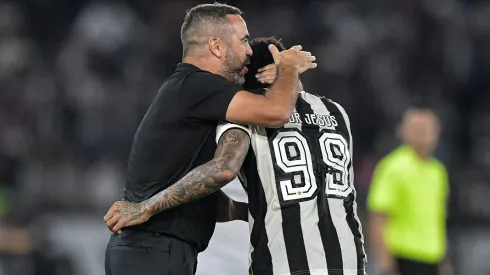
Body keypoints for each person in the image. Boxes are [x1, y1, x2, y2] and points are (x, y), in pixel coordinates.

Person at [105, 36, 366, 275]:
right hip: (350, 259)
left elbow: (223, 169)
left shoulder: (246, 114)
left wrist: (146, 206)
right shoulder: (335, 112)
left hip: (283, 262)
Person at [366, 107, 452, 275]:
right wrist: (386, 265)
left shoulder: (438, 172)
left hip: (433, 258)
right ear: (403, 132)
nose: (423, 134)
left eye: (427, 129)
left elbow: (437, 220)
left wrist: (445, 262)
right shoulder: (393, 167)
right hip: (403, 258)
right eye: (417, 129)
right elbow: (378, 217)